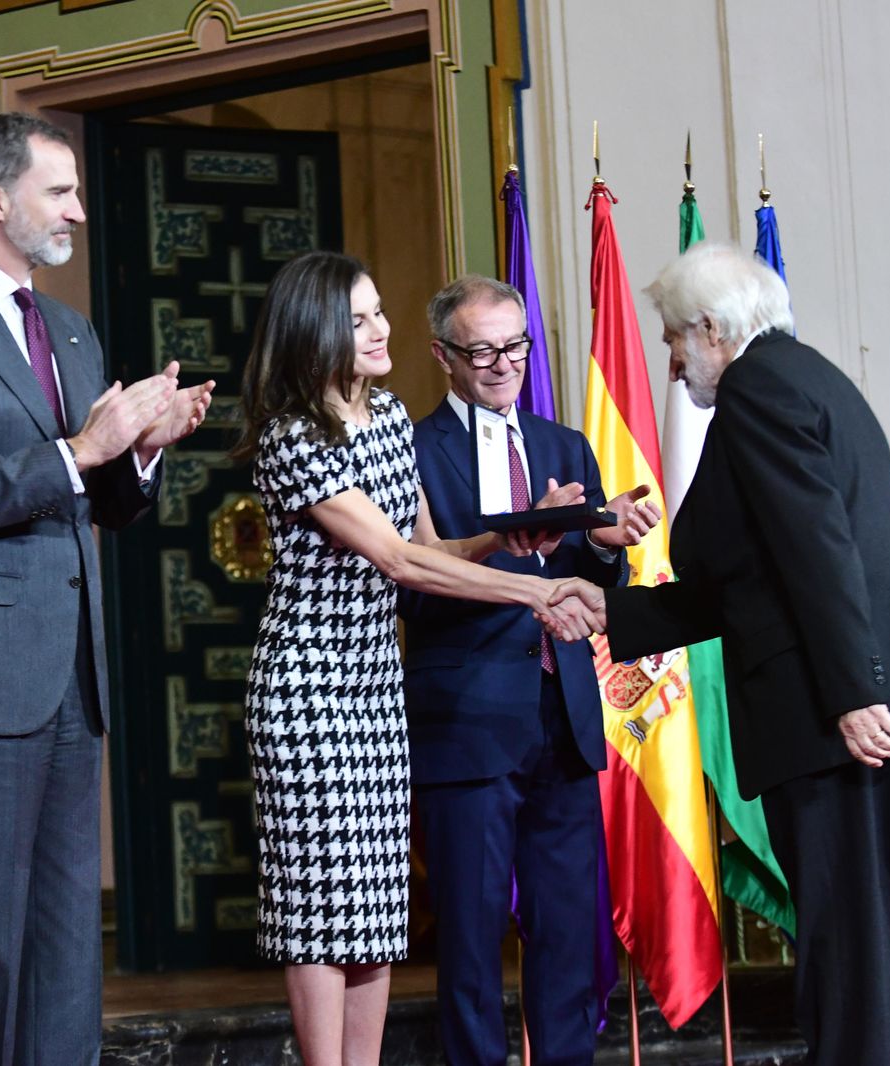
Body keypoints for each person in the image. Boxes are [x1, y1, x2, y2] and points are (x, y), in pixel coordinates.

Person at [552, 241, 890, 1066]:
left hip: (841, 717)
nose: (672, 366)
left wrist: (852, 694)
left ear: (710, 328)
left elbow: (818, 548)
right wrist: (611, 609)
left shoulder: (757, 388)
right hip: (878, 706)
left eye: (673, 341)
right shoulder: (810, 377)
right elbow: (751, 573)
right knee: (864, 955)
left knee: (847, 956)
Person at [0, 112, 214, 1066]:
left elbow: (104, 503)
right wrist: (79, 449)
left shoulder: (70, 329)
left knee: (67, 942)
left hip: (72, 674)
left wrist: (139, 454)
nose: (81, 212)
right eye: (59, 191)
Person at [236, 251, 598, 1066]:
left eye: (378, 312)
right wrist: (535, 595)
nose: (380, 328)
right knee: (318, 910)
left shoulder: (392, 416)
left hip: (375, 687)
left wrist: (508, 539)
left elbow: (436, 545)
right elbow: (397, 563)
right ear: (315, 330)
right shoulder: (295, 438)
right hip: (310, 686)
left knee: (370, 910)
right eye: (359, 318)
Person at [399, 276, 659, 1066]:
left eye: (517, 346)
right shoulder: (413, 449)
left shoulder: (562, 445)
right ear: (444, 355)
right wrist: (513, 543)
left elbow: (584, 577)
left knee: (567, 933)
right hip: (468, 719)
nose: (504, 363)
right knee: (473, 943)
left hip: (565, 717)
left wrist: (608, 546)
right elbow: (411, 588)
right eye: (483, 350)